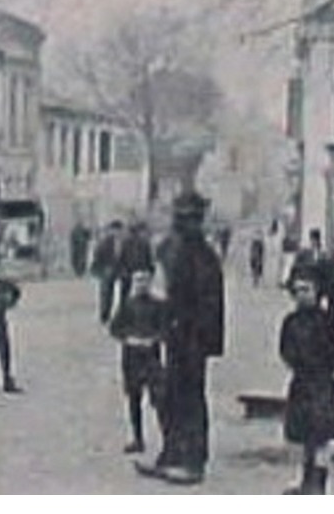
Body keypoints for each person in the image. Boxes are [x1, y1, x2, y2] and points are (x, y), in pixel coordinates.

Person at [135, 191, 223, 486]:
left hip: (192, 339)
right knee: (169, 396)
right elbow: (162, 291)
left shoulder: (204, 256)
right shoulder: (173, 250)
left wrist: (204, 340)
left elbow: (210, 304)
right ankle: (171, 453)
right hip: (173, 336)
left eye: (189, 218)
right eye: (181, 217)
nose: (184, 223)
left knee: (191, 398)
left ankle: (194, 460)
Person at [279, 274, 334, 494]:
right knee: (303, 437)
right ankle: (305, 479)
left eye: (307, 289)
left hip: (322, 385)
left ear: (317, 292)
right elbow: (284, 349)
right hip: (301, 383)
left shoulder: (327, 321)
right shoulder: (290, 321)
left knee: (321, 436)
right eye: (298, 290)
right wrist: (296, 363)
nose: (302, 295)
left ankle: (318, 482)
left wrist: (325, 366)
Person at [107, 267, 166, 455]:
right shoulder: (127, 305)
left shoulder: (158, 305)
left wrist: (154, 339)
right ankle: (138, 438)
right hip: (131, 357)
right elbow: (115, 328)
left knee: (159, 399)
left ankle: (167, 438)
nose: (142, 285)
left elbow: (165, 328)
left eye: (145, 281)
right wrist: (128, 338)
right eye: (138, 281)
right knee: (134, 399)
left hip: (151, 357)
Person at [91, 220, 127, 323]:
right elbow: (97, 258)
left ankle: (122, 315)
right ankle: (105, 315)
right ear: (111, 231)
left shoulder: (126, 242)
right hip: (107, 271)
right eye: (115, 230)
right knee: (106, 294)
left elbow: (128, 256)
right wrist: (101, 271)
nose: (117, 233)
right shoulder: (104, 243)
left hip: (121, 270)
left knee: (124, 293)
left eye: (119, 230)